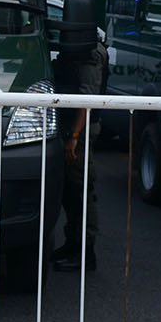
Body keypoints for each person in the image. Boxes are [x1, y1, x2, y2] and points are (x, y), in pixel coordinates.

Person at [51, 18, 106, 272]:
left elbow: (87, 97)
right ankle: (72, 244)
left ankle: (85, 253)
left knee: (81, 191)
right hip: (69, 126)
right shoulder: (78, 47)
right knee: (70, 193)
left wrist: (74, 137)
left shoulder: (91, 52)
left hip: (79, 129)